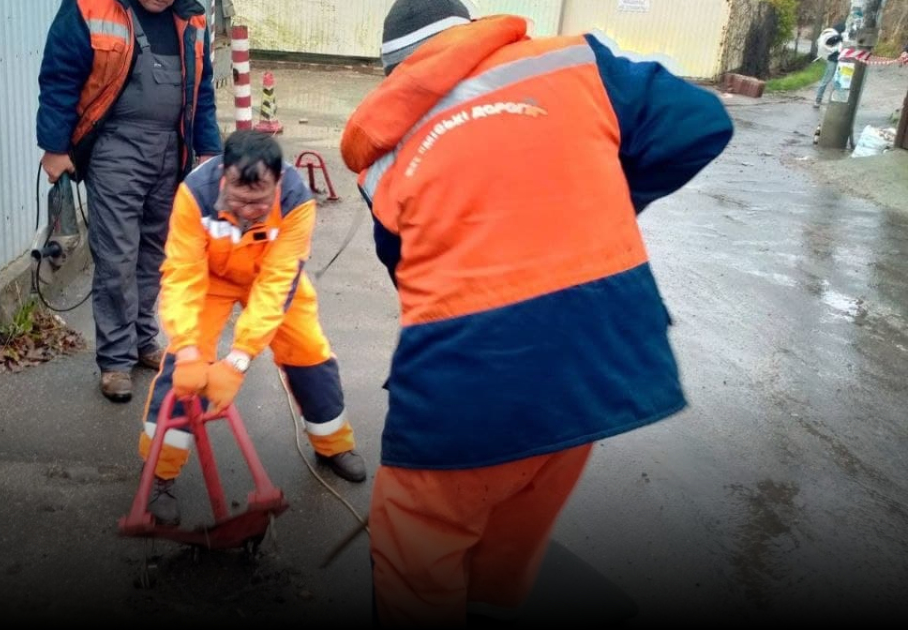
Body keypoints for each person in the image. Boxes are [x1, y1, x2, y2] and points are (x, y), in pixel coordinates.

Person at [339, 0, 734, 625]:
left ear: (394, 74)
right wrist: (591, 205)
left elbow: (408, 271)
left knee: (417, 560)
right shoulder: (574, 62)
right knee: (504, 550)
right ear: (474, 36)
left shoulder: (384, 153)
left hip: (467, 388)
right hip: (594, 367)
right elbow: (701, 124)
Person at [137, 130, 368, 526]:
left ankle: (333, 443)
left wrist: (239, 360)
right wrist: (188, 347)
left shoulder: (296, 201)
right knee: (182, 366)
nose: (249, 211)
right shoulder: (194, 193)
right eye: (240, 200)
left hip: (268, 278)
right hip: (210, 278)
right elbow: (182, 273)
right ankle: (160, 473)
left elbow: (277, 285)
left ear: (278, 181)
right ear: (223, 177)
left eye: (260, 202)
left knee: (308, 351)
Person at [36, 0, 221, 403]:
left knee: (156, 252)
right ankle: (116, 359)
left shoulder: (192, 16)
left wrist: (208, 148)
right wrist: (54, 146)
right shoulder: (90, 8)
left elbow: (202, 89)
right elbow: (59, 78)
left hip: (173, 149)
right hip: (116, 146)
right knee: (118, 255)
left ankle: (142, 339)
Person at [816, 20, 847, 108]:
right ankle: (818, 99)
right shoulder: (834, 36)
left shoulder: (838, 35)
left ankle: (839, 100)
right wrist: (838, 38)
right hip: (833, 60)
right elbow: (828, 43)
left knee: (838, 80)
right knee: (828, 79)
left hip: (840, 60)